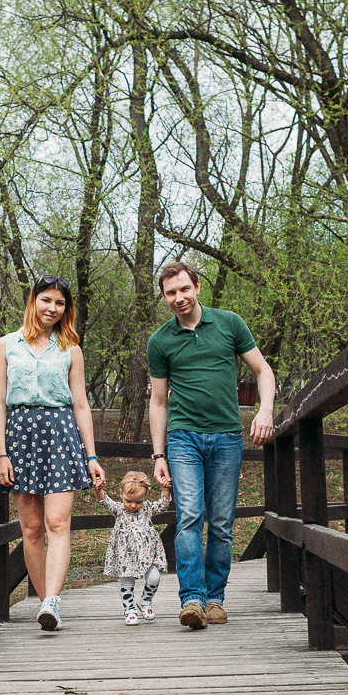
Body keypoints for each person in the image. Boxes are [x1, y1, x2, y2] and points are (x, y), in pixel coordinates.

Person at [146, 259, 276, 630]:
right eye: (170, 293)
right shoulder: (161, 341)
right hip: (183, 437)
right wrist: (158, 454)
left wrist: (264, 411)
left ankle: (216, 598)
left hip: (227, 437)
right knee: (189, 517)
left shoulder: (229, 323)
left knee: (220, 522)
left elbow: (262, 370)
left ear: (197, 287)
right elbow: (158, 401)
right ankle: (191, 600)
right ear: (164, 297)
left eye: (184, 289)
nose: (179, 297)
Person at [0, 275, 106, 631]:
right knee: (32, 528)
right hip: (20, 438)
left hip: (60, 435)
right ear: (33, 300)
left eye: (59, 303)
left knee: (58, 523)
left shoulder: (70, 348)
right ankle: (46, 603)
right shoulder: (6, 345)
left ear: (65, 308)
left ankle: (52, 601)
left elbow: (81, 404)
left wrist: (91, 456)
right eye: (46, 300)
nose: (52, 308)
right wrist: (1, 453)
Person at [95, 469, 170, 626]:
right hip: (125, 554)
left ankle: (145, 601)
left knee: (154, 577)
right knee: (127, 582)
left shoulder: (147, 508)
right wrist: (99, 490)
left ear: (144, 498)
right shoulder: (119, 509)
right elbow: (105, 502)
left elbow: (163, 504)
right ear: (121, 493)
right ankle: (129, 609)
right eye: (129, 501)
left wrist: (164, 489)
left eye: (138, 502)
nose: (133, 506)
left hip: (148, 553)